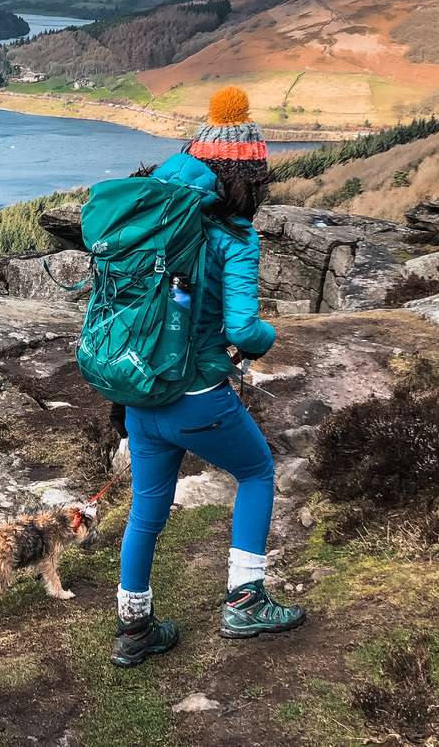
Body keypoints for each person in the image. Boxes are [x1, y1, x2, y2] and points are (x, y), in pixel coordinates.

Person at [111, 86, 305, 669]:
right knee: (257, 472)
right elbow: (243, 330)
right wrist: (265, 340)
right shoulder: (236, 238)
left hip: (141, 392)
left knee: (147, 506)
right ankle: (245, 601)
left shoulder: (152, 219)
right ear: (247, 181)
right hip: (197, 395)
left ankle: (134, 629)